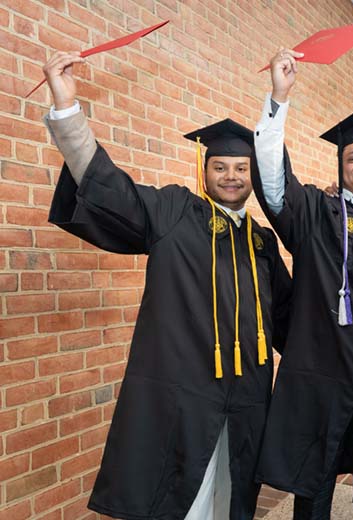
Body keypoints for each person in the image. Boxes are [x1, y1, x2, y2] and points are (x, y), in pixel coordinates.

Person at [42, 50, 291, 520]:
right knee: (182, 501)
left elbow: (292, 319)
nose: (232, 176)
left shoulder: (261, 242)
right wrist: (69, 113)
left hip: (249, 397)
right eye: (221, 167)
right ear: (205, 169)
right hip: (183, 393)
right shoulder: (175, 211)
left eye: (241, 168)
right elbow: (113, 191)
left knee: (234, 497)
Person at [251, 49, 353, 519]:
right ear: (342, 162)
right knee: (312, 486)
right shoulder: (316, 214)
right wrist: (279, 99)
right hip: (322, 376)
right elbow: (274, 186)